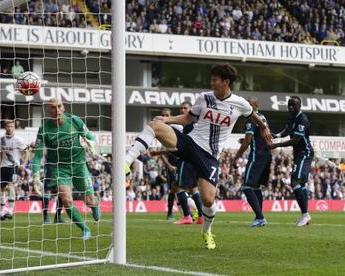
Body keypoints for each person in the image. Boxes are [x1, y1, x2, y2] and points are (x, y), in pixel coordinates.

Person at [125, 64, 272, 249]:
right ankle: (126, 162)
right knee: (155, 125)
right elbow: (188, 119)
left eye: (215, 80)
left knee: (209, 200)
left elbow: (253, 115)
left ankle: (206, 231)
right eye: (211, 79)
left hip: (209, 155)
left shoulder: (239, 103)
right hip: (191, 143)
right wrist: (167, 119)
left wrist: (264, 127)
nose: (211, 83)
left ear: (226, 82)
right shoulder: (204, 98)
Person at [32, 98, 100, 240]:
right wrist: (35, 175)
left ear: (63, 107)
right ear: (48, 110)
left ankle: (94, 205)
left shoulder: (75, 120)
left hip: (79, 165)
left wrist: (92, 145)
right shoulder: (44, 129)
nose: (57, 110)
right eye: (53, 107)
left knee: (89, 200)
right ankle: (85, 229)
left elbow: (89, 137)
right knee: (66, 199)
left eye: (59, 106)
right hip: (60, 168)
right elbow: (38, 155)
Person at [270, 96, 313, 227]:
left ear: (299, 106)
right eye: (289, 105)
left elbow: (295, 140)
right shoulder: (292, 118)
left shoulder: (302, 119)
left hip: (304, 153)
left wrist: (277, 145)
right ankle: (305, 215)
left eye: (293, 105)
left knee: (295, 181)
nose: (290, 107)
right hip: (299, 154)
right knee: (302, 184)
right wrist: (276, 135)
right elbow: (287, 130)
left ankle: (305, 214)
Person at [234, 96, 271, 227]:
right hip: (267, 155)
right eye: (247, 105)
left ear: (256, 106)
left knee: (247, 186)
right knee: (255, 187)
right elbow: (262, 136)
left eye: (251, 105)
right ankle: (259, 217)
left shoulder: (251, 119)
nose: (249, 107)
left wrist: (236, 157)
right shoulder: (263, 117)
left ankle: (260, 217)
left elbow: (248, 141)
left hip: (257, 156)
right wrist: (244, 140)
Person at [0, 120, 28, 220]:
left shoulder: (18, 139)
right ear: (5, 128)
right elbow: (1, 152)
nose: (10, 128)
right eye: (8, 126)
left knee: (10, 186)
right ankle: (1, 211)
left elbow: (26, 152)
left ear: (14, 128)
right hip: (3, 166)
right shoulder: (2, 139)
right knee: (1, 188)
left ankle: (10, 209)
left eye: (11, 126)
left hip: (14, 166)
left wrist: (23, 164)